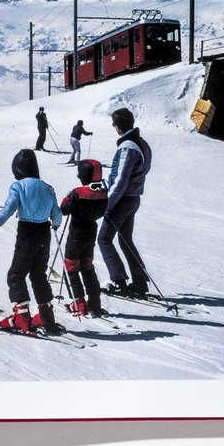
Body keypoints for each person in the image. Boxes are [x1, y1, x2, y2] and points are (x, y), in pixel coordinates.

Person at [0, 149, 64, 334]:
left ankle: (21, 317)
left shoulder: (18, 186)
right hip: (44, 232)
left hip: (27, 232)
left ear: (18, 170)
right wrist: (56, 224)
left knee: (16, 274)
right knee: (38, 274)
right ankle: (46, 315)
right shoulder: (48, 187)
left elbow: (7, 209)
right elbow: (57, 215)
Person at [97, 107, 153, 298]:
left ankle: (119, 280)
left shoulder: (127, 147)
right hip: (134, 198)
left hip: (121, 200)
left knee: (104, 238)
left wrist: (106, 204)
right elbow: (143, 169)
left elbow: (120, 180)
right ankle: (139, 281)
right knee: (125, 239)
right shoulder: (142, 143)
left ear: (117, 127)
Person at [59, 159, 109, 318]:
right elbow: (102, 211)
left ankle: (78, 303)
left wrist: (68, 198)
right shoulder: (103, 192)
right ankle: (95, 303)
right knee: (87, 266)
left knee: (71, 267)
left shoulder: (78, 192)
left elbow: (64, 210)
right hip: (91, 232)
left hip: (77, 233)